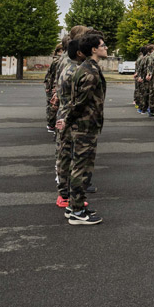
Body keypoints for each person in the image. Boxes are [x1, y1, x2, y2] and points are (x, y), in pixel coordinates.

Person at [57, 31, 108, 225]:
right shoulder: (90, 72)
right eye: (103, 46)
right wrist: (68, 121)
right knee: (80, 168)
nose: (106, 48)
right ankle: (77, 211)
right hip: (84, 126)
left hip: (85, 125)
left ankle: (74, 206)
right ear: (94, 49)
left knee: (80, 166)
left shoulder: (86, 68)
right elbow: (79, 103)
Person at [44, 44, 63, 132]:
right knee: (54, 106)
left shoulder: (56, 60)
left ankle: (51, 124)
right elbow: (54, 76)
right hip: (53, 86)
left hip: (51, 86)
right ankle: (51, 124)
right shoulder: (58, 61)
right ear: (60, 51)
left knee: (52, 105)